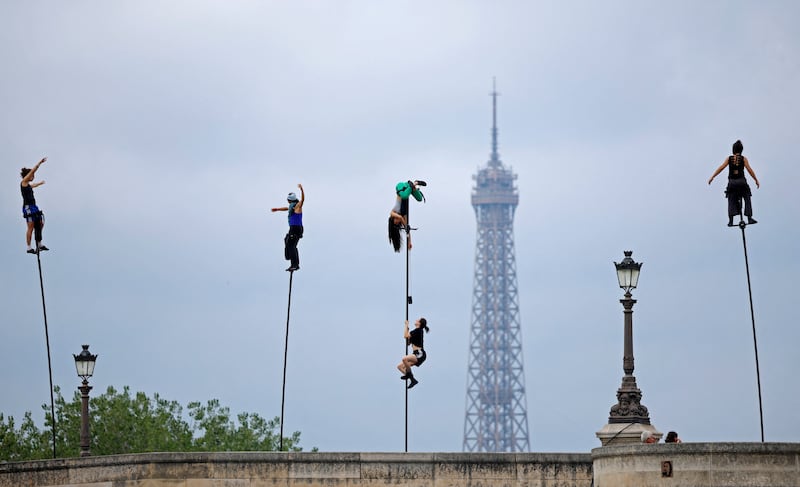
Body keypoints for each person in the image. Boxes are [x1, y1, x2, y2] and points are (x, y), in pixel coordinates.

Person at [708, 140, 760, 226]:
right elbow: (749, 170)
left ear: (733, 149)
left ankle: (731, 220)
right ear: (741, 150)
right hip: (742, 182)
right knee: (747, 196)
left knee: (731, 198)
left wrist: (713, 176)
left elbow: (721, 167)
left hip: (732, 183)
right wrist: (756, 179)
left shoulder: (729, 158)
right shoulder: (744, 159)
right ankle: (749, 218)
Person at [271, 184, 304, 272]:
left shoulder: (297, 206)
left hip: (296, 228)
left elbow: (303, 200)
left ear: (289, 200)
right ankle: (291, 259)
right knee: (287, 241)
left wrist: (302, 190)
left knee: (291, 245)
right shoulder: (292, 206)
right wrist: (277, 209)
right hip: (294, 228)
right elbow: (287, 208)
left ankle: (294, 264)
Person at [20, 157, 49, 254]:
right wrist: (40, 163)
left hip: (34, 207)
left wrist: (40, 183)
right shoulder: (24, 182)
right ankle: (29, 247)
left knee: (40, 223)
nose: (33, 176)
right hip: (28, 208)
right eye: (33, 175)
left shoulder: (27, 185)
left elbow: (34, 185)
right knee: (30, 227)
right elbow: (33, 170)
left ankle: (39, 243)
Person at [388, 180, 426, 252]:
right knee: (420, 199)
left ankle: (412, 185)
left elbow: (400, 218)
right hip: (407, 189)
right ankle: (415, 183)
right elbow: (408, 232)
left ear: (393, 220)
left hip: (400, 187)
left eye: (396, 223)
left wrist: (405, 226)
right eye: (398, 224)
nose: (398, 222)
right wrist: (409, 243)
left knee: (405, 196)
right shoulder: (404, 214)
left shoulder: (393, 213)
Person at [397, 317, 429, 389]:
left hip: (420, 354)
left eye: (417, 320)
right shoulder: (415, 332)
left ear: (419, 323)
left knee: (404, 359)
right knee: (400, 367)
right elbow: (408, 343)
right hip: (415, 354)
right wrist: (407, 331)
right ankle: (412, 379)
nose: (416, 320)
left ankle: (410, 376)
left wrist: (406, 325)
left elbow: (405, 336)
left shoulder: (419, 330)